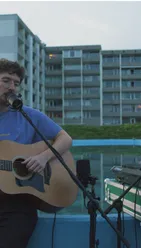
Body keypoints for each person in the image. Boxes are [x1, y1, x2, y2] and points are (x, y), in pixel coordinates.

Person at [0, 58, 73, 248]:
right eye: (6, 80)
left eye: (16, 83)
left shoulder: (27, 114)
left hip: (18, 205)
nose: (12, 88)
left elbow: (65, 138)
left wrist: (43, 157)